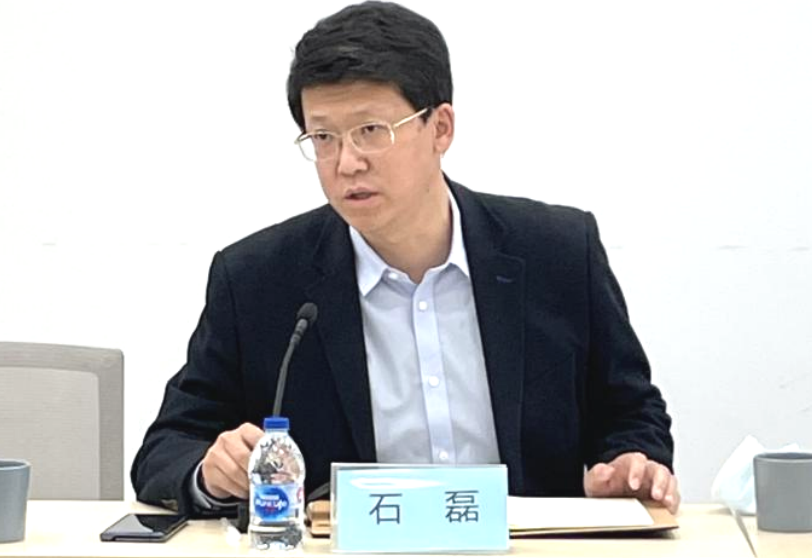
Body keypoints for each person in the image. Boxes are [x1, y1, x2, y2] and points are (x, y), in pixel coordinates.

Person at [132, 0, 680, 517]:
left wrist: (630, 463)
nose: (346, 162)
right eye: (323, 137)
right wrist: (210, 473)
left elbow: (631, 413)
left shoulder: (557, 252)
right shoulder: (259, 280)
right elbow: (168, 448)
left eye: (371, 131)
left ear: (440, 128)